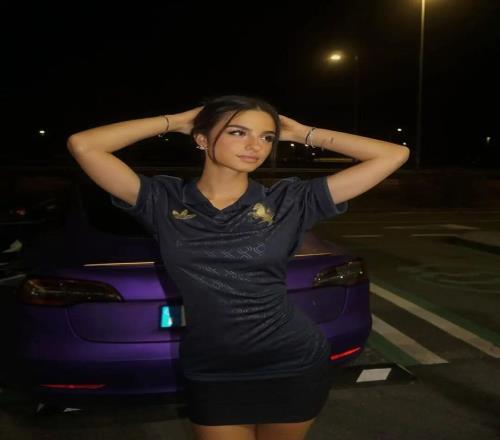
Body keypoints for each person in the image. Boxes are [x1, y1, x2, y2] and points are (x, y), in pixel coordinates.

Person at [67, 94, 409, 440]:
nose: (255, 146)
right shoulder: (162, 199)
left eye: (267, 137)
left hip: (291, 362)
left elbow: (393, 155)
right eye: (238, 132)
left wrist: (303, 133)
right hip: (211, 367)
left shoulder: (289, 201)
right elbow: (84, 145)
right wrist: (177, 121)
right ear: (202, 139)